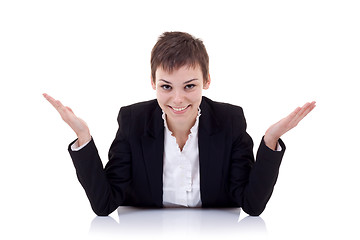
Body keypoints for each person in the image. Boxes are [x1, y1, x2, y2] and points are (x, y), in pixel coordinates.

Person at [43, 31, 316, 216]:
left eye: (189, 86)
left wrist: (269, 142)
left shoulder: (230, 121)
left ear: (206, 81)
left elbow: (252, 205)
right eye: (166, 86)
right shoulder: (133, 121)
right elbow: (104, 204)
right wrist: (83, 137)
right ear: (153, 83)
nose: (177, 99)